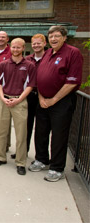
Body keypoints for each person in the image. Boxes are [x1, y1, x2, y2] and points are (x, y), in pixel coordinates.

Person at [29, 26, 83, 182]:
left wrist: (53, 100)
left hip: (61, 101)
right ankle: (41, 160)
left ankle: (56, 168)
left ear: (64, 37)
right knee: (41, 131)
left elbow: (72, 82)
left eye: (57, 36)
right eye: (51, 36)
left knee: (59, 135)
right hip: (43, 100)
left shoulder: (73, 53)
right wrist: (41, 98)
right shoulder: (47, 53)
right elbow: (39, 79)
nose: (53, 39)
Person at [0, 38, 36, 175]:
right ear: (10, 48)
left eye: (18, 47)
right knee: (2, 131)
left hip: (20, 102)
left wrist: (19, 99)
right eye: (13, 47)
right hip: (4, 100)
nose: (15, 50)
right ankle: (1, 157)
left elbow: (30, 86)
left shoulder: (29, 66)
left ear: (23, 48)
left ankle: (20, 162)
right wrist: (3, 97)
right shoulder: (3, 64)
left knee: (21, 133)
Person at [25, 34, 46, 153]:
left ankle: (40, 156)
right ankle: (23, 151)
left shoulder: (49, 58)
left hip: (43, 96)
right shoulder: (27, 59)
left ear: (44, 43)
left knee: (41, 128)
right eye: (34, 43)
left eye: (39, 43)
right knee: (26, 125)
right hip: (29, 95)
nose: (36, 45)